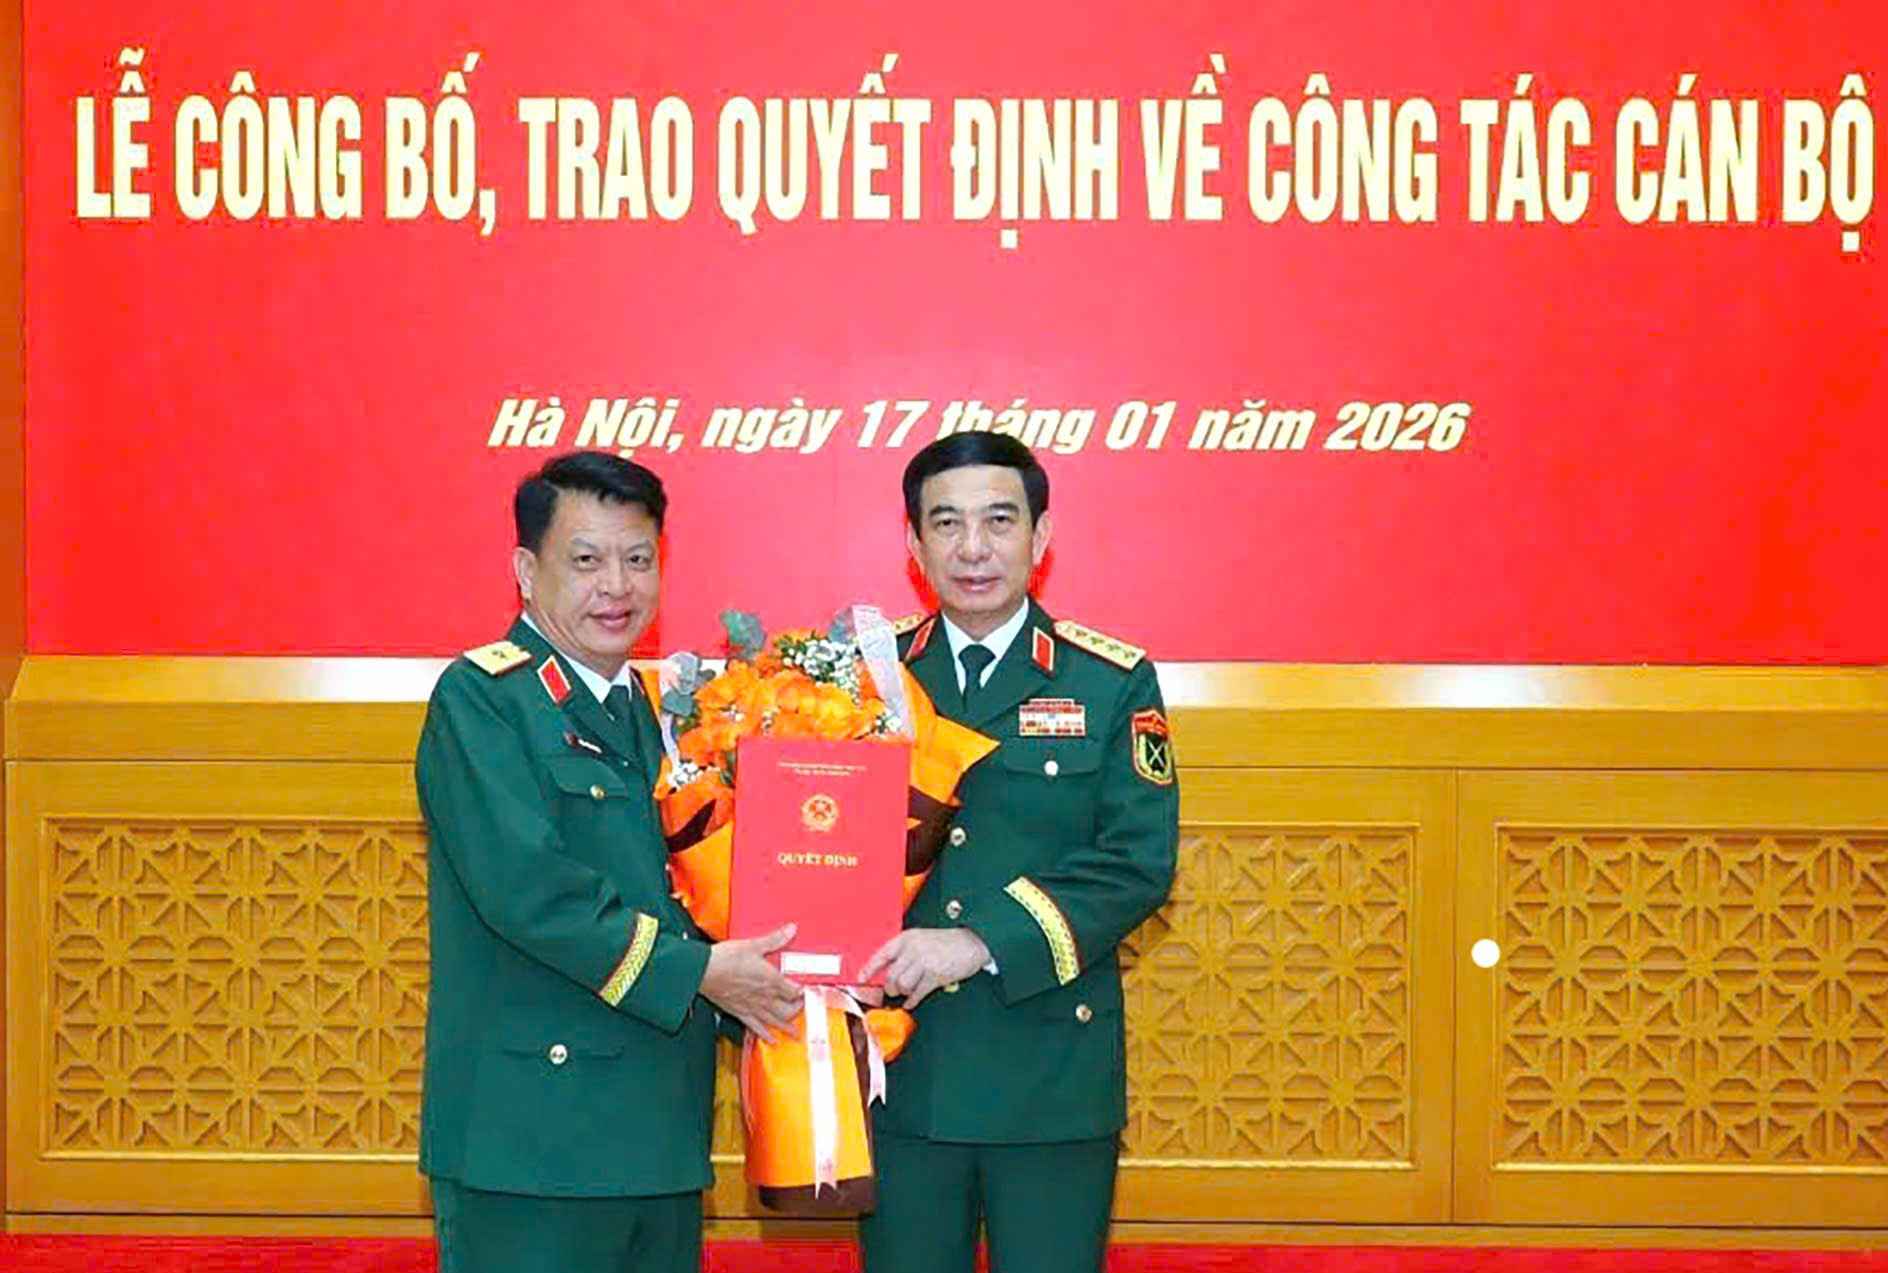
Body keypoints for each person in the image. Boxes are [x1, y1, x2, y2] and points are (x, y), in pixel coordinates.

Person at [415, 450, 803, 1273]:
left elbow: (697, 891)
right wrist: (703, 972)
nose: (616, 587)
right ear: (527, 570)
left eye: (638, 559)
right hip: (533, 1142)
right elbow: (532, 893)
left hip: (657, 1132)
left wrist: (797, 969)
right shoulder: (483, 700)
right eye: (585, 561)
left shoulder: (665, 716)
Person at [857, 432, 1180, 1272]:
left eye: (999, 521)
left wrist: (980, 941)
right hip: (903, 1075)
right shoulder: (860, 679)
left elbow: (1136, 861)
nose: (973, 549)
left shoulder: (1109, 681)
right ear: (912, 545)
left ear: (1040, 539)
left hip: (1050, 1076)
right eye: (947, 523)